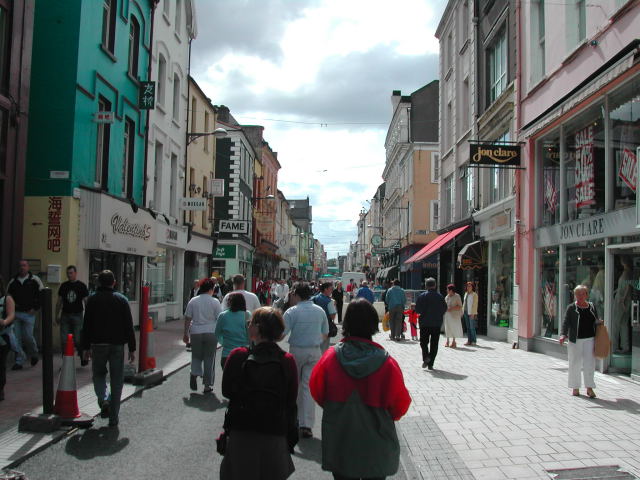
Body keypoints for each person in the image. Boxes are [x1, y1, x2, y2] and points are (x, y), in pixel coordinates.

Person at [310, 298, 411, 480]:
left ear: (346, 323)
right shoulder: (387, 363)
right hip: (377, 443)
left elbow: (317, 390)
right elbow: (401, 404)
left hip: (341, 439)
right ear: (373, 325)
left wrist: (336, 408)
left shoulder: (330, 358)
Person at [220, 307, 298, 480]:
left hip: (241, 430)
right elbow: (291, 399)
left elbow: (227, 391)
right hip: (274, 432)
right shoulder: (287, 360)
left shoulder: (238, 355)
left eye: (251, 323)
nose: (248, 326)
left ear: (257, 328)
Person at [81, 270, 136, 427]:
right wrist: (132, 348)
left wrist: (85, 347)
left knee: (98, 374)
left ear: (99, 282)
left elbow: (86, 325)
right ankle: (114, 417)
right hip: (117, 344)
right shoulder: (122, 300)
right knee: (117, 379)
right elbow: (129, 325)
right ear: (114, 282)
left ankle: (104, 398)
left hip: (98, 344)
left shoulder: (92, 300)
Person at [283, 282, 328, 439]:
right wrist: (316, 339)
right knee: (308, 387)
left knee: (294, 385)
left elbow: (281, 334)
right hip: (314, 350)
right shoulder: (319, 311)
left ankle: (294, 419)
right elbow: (325, 333)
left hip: (296, 350)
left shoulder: (291, 311)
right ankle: (306, 424)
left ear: (296, 294)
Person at [559, 285, 600, 398]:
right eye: (578, 294)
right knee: (575, 363)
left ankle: (589, 388)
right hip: (575, 340)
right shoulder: (571, 308)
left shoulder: (592, 307)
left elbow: (596, 321)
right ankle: (575, 387)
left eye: (583, 294)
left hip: (590, 339)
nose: (580, 296)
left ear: (586, 295)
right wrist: (563, 334)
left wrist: (599, 323)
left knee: (589, 363)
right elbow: (566, 322)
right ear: (575, 295)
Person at [183, 278, 222, 393]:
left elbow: (188, 318)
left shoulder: (193, 301)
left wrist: (185, 333)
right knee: (209, 358)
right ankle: (207, 386)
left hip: (195, 332)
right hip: (211, 331)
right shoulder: (215, 302)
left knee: (196, 355)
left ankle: (194, 372)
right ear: (211, 289)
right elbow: (219, 318)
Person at [7, 259, 44, 370]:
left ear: (28, 267)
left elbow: (42, 295)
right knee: (16, 339)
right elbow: (7, 296)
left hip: (29, 314)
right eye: (20, 266)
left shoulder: (35, 280)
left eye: (24, 265)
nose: (22, 267)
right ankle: (19, 360)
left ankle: (34, 353)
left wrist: (35, 308)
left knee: (28, 336)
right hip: (16, 314)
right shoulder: (13, 281)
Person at [56, 265, 90, 366]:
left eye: (71, 273)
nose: (69, 275)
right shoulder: (64, 286)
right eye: (68, 273)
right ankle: (66, 360)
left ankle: (82, 355)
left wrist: (88, 316)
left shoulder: (81, 286)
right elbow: (59, 301)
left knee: (78, 339)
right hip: (65, 315)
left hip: (77, 315)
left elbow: (86, 301)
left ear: (75, 273)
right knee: (64, 340)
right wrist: (56, 315)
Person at [415, 278, 447, 370]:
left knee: (423, 342)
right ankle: (431, 363)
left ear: (426, 286)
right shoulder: (440, 296)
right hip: (436, 323)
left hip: (424, 323)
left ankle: (426, 357)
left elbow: (417, 310)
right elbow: (444, 309)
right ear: (435, 285)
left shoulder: (422, 296)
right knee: (434, 344)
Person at [215, 292, 250, 369]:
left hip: (227, 355)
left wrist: (224, 343)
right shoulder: (247, 315)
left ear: (230, 302)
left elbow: (217, 334)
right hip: (243, 354)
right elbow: (250, 335)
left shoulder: (222, 315)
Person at [0, 275, 17, 401]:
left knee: (1, 364)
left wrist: (4, 322)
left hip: (3, 336)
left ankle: (0, 389)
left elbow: (11, 315)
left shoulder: (7, 298)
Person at [312, 282, 337, 352]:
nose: (332, 291)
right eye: (331, 289)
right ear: (326, 289)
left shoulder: (313, 298)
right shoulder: (329, 301)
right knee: (323, 349)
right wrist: (334, 305)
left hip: (313, 325)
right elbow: (333, 316)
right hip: (325, 327)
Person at [444, 284, 463, 348]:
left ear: (451, 290)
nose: (446, 290)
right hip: (447, 315)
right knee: (447, 328)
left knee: (454, 328)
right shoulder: (446, 297)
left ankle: (454, 342)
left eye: (447, 289)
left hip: (455, 315)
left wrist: (451, 308)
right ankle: (447, 341)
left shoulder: (457, 296)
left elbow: (460, 306)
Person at [462, 282, 479, 346]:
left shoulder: (474, 295)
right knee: (468, 327)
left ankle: (474, 341)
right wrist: (462, 311)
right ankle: (469, 340)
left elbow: (475, 305)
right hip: (465, 312)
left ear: (472, 287)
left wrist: (473, 313)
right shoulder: (466, 294)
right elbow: (464, 303)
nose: (468, 287)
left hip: (471, 312)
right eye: (467, 286)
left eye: (470, 286)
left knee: (472, 327)